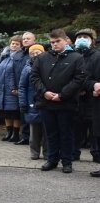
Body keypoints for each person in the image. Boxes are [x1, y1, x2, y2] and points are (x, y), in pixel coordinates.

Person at [31, 28, 86, 173]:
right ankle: (52, 159)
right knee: (51, 133)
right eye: (52, 42)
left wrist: (62, 95)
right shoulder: (43, 57)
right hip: (46, 102)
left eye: (57, 41)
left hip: (66, 103)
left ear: (66, 40)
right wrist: (44, 92)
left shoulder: (76, 58)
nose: (54, 44)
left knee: (66, 133)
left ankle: (67, 162)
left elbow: (79, 78)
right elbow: (34, 76)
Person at [0, 35, 27, 143]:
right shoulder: (4, 55)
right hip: (2, 88)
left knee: (15, 112)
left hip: (13, 89)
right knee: (6, 112)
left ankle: (15, 134)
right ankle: (9, 132)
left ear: (21, 46)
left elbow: (21, 73)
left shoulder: (21, 57)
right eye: (12, 43)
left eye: (17, 44)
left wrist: (18, 88)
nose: (14, 45)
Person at [74, 29, 100, 163]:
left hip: (92, 99)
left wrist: (88, 87)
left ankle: (96, 154)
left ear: (92, 40)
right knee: (76, 127)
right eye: (79, 37)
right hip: (76, 99)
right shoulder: (73, 55)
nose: (81, 39)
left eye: (85, 37)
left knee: (94, 128)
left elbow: (93, 78)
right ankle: (74, 153)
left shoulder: (97, 56)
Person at [19, 44, 47, 160]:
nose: (35, 55)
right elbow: (22, 87)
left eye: (38, 52)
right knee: (34, 131)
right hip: (32, 103)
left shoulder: (48, 66)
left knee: (47, 131)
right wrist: (23, 103)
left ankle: (48, 153)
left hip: (46, 102)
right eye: (32, 53)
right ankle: (34, 152)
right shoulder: (27, 69)